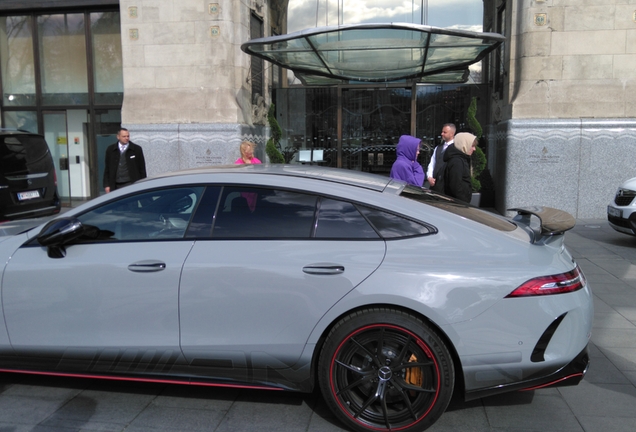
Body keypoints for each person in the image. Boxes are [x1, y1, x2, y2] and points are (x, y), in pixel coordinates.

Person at [103, 128, 146, 193]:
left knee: (131, 202)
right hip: (115, 184)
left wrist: (142, 183)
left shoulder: (136, 149)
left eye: (128, 136)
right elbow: (107, 169)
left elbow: (142, 168)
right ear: (118, 137)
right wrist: (107, 185)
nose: (126, 138)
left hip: (131, 183)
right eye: (124, 136)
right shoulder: (111, 150)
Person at [443, 132, 477, 203]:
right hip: (458, 204)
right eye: (472, 146)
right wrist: (464, 201)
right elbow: (455, 186)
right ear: (464, 145)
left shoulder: (461, 159)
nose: (474, 149)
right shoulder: (457, 162)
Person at [426, 123, 456, 193]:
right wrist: (429, 177)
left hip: (447, 187)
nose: (442, 134)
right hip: (435, 185)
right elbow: (432, 163)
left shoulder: (456, 148)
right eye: (442, 132)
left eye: (445, 132)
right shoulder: (438, 148)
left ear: (451, 134)